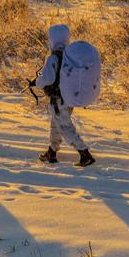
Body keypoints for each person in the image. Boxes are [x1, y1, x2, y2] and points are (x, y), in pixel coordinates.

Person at [33, 24, 95, 167]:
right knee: (56, 124)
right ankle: (52, 152)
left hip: (57, 100)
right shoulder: (70, 56)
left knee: (65, 127)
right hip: (68, 98)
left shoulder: (52, 58)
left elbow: (45, 78)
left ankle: (85, 154)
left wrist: (36, 81)